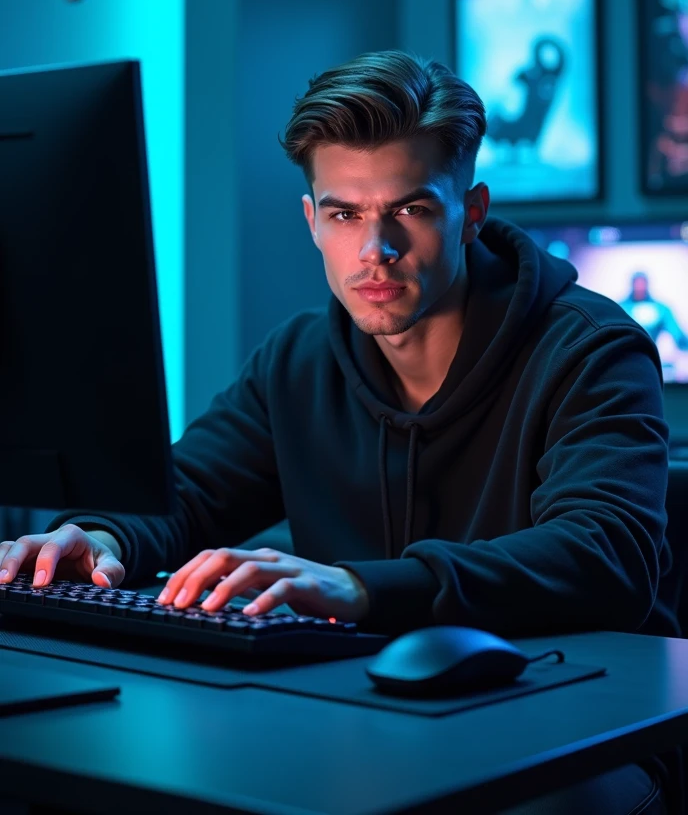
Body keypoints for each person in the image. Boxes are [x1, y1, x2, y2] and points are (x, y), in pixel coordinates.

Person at [0, 50, 678, 814]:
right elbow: (188, 491)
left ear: (473, 213)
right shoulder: (299, 357)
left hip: (581, 723)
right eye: (344, 214)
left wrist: (357, 588)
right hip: (369, 713)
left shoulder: (590, 347)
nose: (375, 251)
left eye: (411, 210)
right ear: (311, 220)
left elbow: (605, 554)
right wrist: (100, 538)